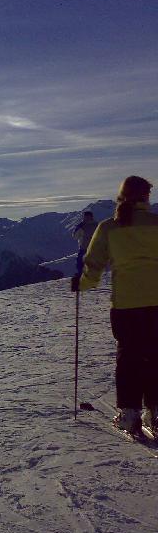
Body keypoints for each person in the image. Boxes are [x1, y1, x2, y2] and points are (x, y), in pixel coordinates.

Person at [72, 176, 158, 435]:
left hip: (125, 305)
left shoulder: (109, 227)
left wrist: (81, 284)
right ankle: (155, 413)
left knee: (129, 356)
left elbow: (94, 265)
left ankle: (129, 414)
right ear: (146, 197)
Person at [72, 211, 98, 276]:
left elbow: (75, 237)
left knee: (80, 263)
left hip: (84, 247)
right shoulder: (97, 225)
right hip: (94, 248)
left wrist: (77, 228)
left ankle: (82, 276)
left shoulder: (82, 226)